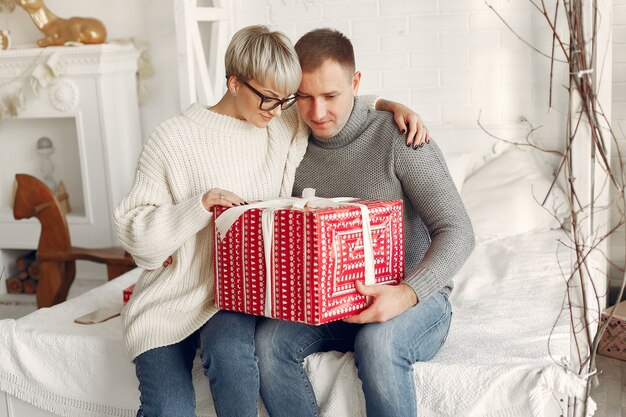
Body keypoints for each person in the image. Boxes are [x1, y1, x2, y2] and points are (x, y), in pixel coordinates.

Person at [114, 25, 428, 417]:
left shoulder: (281, 124)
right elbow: (134, 237)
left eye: (286, 99)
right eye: (268, 98)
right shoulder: (171, 139)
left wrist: (391, 104)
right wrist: (198, 206)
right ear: (233, 83)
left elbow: (335, 99)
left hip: (236, 298)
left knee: (231, 358)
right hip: (168, 300)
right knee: (168, 410)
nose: (279, 110)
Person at [255, 28, 476, 417]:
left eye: (330, 96)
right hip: (331, 303)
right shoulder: (289, 142)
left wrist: (406, 293)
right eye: (304, 97)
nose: (317, 113)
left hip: (413, 297)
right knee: (268, 342)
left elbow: (458, 230)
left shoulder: (399, 136)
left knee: (378, 343)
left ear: (355, 84)